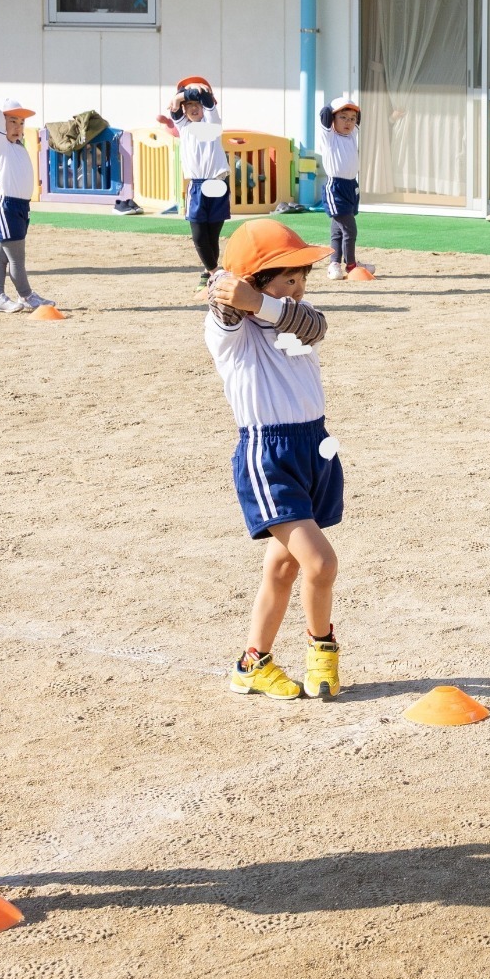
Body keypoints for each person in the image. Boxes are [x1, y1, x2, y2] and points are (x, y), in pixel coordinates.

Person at [206, 220, 347, 702]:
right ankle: (321, 651)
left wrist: (265, 299)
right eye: (287, 278)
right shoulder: (232, 332)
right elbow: (224, 308)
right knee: (320, 562)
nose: (299, 289)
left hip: (313, 447)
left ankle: (253, 663)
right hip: (269, 454)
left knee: (282, 570)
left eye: (301, 277)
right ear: (253, 281)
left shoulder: (296, 314)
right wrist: (230, 289)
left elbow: (315, 325)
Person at [157, 76, 232, 294]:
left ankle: (208, 273)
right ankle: (214, 271)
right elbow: (175, 109)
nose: (193, 108)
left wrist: (192, 94)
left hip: (217, 182)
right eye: (188, 105)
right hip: (198, 185)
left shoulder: (212, 123)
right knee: (199, 233)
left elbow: (206, 99)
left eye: (196, 104)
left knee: (212, 235)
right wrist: (181, 96)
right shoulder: (184, 126)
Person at [0, 98, 52, 315]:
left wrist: (9, 120)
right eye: (12, 121)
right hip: (6, 208)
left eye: (21, 123)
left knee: (0, 256)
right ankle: (27, 295)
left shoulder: (17, 146)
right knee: (16, 259)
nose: (18, 127)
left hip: (20, 207)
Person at [317, 96, 364, 281]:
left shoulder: (352, 135)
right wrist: (333, 108)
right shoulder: (329, 136)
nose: (348, 122)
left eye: (352, 119)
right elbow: (324, 113)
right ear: (333, 119)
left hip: (351, 186)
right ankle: (351, 264)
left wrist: (354, 115)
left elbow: (358, 119)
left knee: (338, 230)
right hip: (335, 187)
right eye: (343, 117)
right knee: (349, 229)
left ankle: (334, 263)